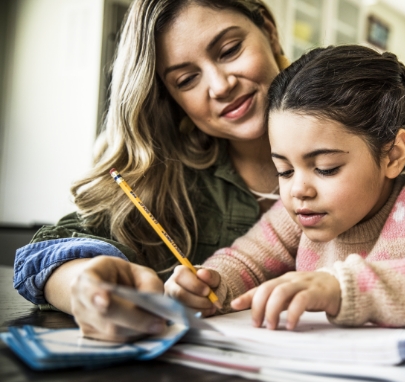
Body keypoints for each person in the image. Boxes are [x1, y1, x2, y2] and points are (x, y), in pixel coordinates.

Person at [165, 45, 405, 331]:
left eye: (326, 168)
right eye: (282, 170)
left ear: (393, 154)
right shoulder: (298, 214)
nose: (298, 189)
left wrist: (344, 287)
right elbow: (242, 262)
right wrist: (209, 284)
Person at [13, 0, 289, 341]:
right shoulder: (169, 183)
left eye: (229, 50)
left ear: (270, 32)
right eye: (187, 79)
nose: (220, 86)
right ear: (170, 95)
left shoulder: (364, 127)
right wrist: (85, 288)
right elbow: (42, 253)